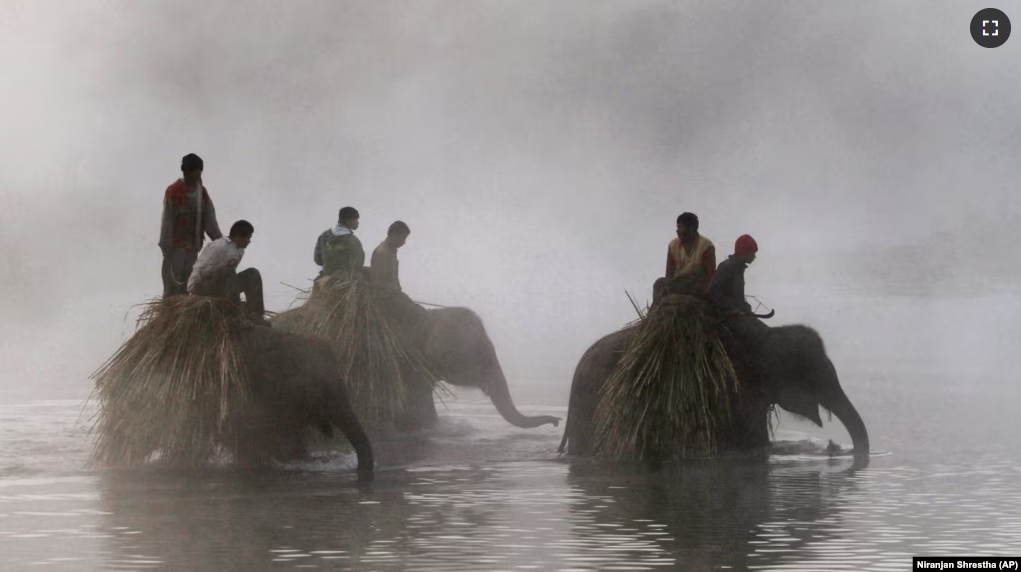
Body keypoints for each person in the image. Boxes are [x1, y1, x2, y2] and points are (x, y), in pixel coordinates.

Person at [159, 153, 223, 297]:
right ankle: (168, 316)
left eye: (200, 171)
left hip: (193, 248)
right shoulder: (173, 191)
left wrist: (221, 242)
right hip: (175, 249)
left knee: (188, 287)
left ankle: (183, 315)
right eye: (196, 171)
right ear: (187, 172)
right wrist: (166, 248)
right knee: (171, 288)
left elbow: (210, 220)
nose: (199, 174)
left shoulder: (202, 193)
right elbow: (167, 220)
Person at [188, 220, 269, 326]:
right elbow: (202, 271)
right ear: (239, 236)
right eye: (248, 238)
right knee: (228, 271)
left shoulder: (240, 250)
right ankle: (235, 316)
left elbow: (230, 276)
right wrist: (222, 268)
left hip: (221, 282)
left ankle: (256, 314)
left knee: (252, 273)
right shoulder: (219, 246)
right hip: (200, 285)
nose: (249, 241)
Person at [654, 212, 716, 302]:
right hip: (678, 283)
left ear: (692, 229)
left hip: (696, 285)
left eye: (681, 227)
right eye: (677, 227)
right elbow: (669, 274)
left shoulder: (706, 246)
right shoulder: (673, 245)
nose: (677, 231)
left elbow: (711, 276)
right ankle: (654, 312)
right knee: (659, 283)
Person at [708, 234, 758, 315]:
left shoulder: (737, 268)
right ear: (745, 252)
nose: (754, 256)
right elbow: (713, 291)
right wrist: (730, 308)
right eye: (753, 253)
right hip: (724, 314)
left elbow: (738, 297)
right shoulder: (728, 267)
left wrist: (746, 308)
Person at [313, 207, 364, 278]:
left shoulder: (323, 236)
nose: (357, 222)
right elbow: (358, 264)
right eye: (355, 219)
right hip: (346, 278)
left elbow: (318, 260)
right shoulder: (353, 241)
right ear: (348, 221)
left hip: (327, 275)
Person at [369, 220, 410, 291]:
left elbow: (393, 278)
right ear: (394, 235)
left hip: (392, 293)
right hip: (385, 296)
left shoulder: (391, 251)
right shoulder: (382, 253)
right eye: (403, 238)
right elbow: (380, 283)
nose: (404, 242)